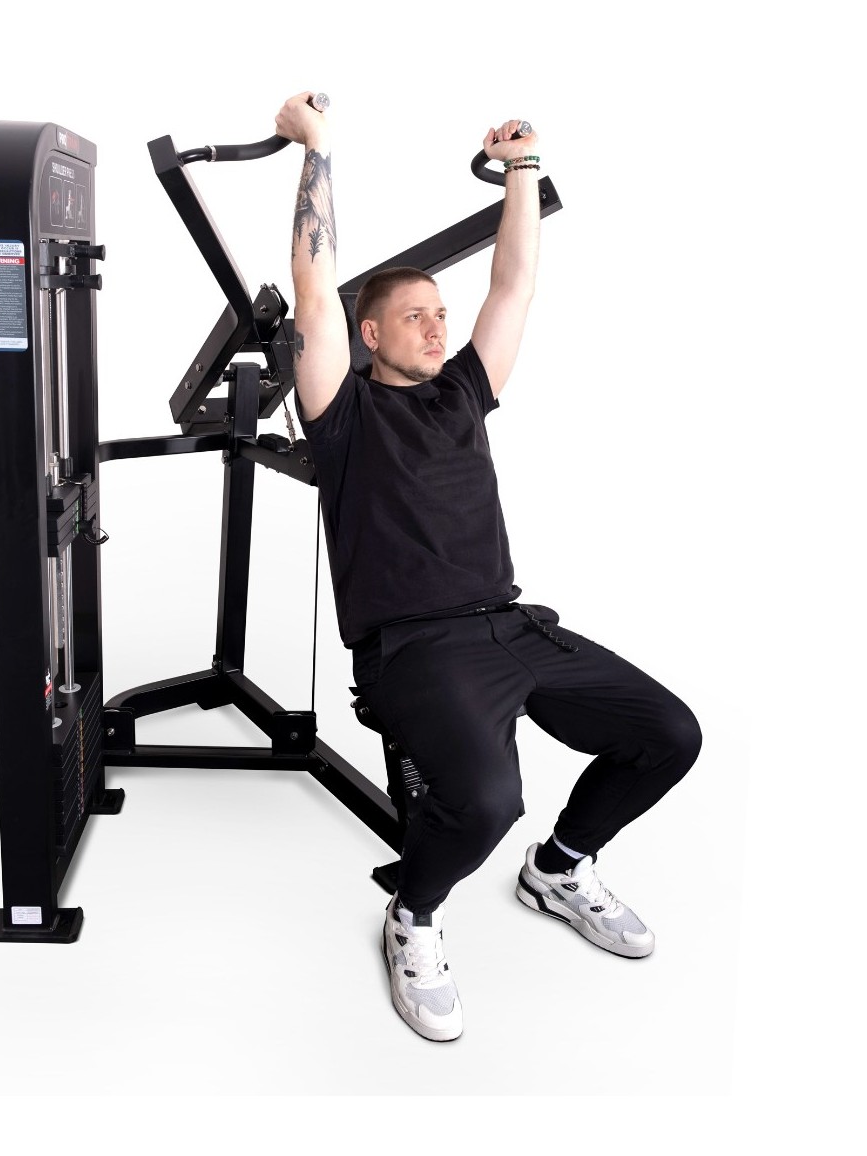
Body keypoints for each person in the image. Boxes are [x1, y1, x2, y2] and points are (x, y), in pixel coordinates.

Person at [273, 92, 702, 1043]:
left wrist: (523, 170)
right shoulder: (343, 413)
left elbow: (512, 289)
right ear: (369, 336)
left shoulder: (465, 391)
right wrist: (317, 150)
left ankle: (560, 868)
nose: (439, 328)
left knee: (670, 733)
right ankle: (413, 915)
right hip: (414, 649)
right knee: (487, 803)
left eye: (441, 313)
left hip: (512, 625)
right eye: (415, 317)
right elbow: (314, 284)